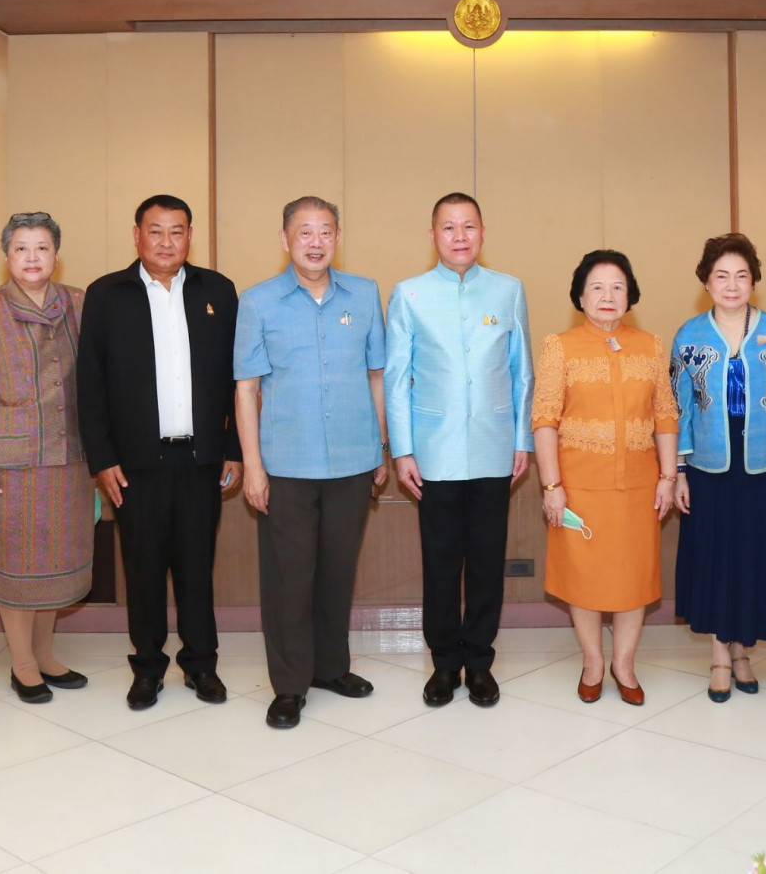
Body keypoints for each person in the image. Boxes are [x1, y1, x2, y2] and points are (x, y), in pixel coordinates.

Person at [76, 194, 240, 711]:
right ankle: (147, 669)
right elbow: (91, 383)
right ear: (137, 235)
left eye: (177, 231)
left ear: (191, 236)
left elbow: (239, 380)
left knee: (197, 566)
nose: (166, 241)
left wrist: (234, 448)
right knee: (142, 569)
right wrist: (101, 459)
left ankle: (201, 665)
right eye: (156, 231)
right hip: (135, 463)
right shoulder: (106, 294)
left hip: (201, 458)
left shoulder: (218, 290)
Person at [236, 197, 389, 729]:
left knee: (337, 572)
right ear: (285, 240)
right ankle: (289, 684)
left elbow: (377, 376)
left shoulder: (365, 294)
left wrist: (381, 448)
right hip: (286, 464)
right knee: (288, 578)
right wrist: (253, 466)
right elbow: (247, 388)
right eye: (305, 232)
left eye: (325, 231)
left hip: (353, 459)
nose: (316, 241)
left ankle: (331, 668)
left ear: (337, 237)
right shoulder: (257, 302)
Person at [385, 192, 533, 708]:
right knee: (442, 562)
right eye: (448, 228)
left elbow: (523, 373)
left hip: (495, 448)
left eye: (469, 226)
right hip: (433, 453)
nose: (460, 236)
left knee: (487, 561)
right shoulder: (409, 294)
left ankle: (480, 662)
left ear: (483, 233)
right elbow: (397, 378)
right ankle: (445, 663)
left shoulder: (508, 290)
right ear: (432, 237)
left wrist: (522, 439)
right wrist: (402, 450)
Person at [0, 212, 93, 704]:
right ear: (7, 256)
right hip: (9, 460)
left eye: (42, 248)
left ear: (56, 254)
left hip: (69, 454)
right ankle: (23, 662)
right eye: (21, 249)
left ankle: (47, 654)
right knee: (18, 563)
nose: (32, 258)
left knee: (55, 561)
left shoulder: (78, 302)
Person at [533, 250, 678, 708]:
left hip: (638, 485)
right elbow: (544, 420)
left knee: (633, 579)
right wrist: (552, 488)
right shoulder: (559, 345)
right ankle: (594, 662)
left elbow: (665, 415)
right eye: (596, 286)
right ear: (580, 295)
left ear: (630, 294)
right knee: (585, 579)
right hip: (579, 487)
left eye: (617, 286)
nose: (607, 296)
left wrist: (669, 476)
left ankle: (625, 664)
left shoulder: (652, 345)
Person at [670, 234, 766, 702]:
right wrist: (680, 471)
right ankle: (718, 655)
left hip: (765, 463)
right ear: (706, 282)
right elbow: (678, 409)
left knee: (754, 557)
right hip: (708, 466)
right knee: (714, 558)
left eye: (741, 276)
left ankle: (744, 649)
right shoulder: (689, 335)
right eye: (721, 276)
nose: (732, 285)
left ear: (754, 281)